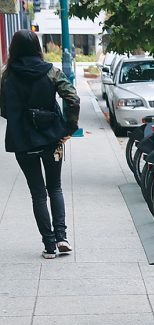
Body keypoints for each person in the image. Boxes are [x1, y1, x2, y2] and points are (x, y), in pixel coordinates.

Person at [0, 30, 80, 259]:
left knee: (37, 193)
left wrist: (19, 119)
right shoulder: (51, 72)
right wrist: (69, 128)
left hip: (22, 141)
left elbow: (3, 108)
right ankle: (62, 237)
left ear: (14, 48)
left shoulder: (6, 76)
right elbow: (72, 98)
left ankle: (49, 245)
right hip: (52, 137)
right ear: (37, 47)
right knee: (55, 187)